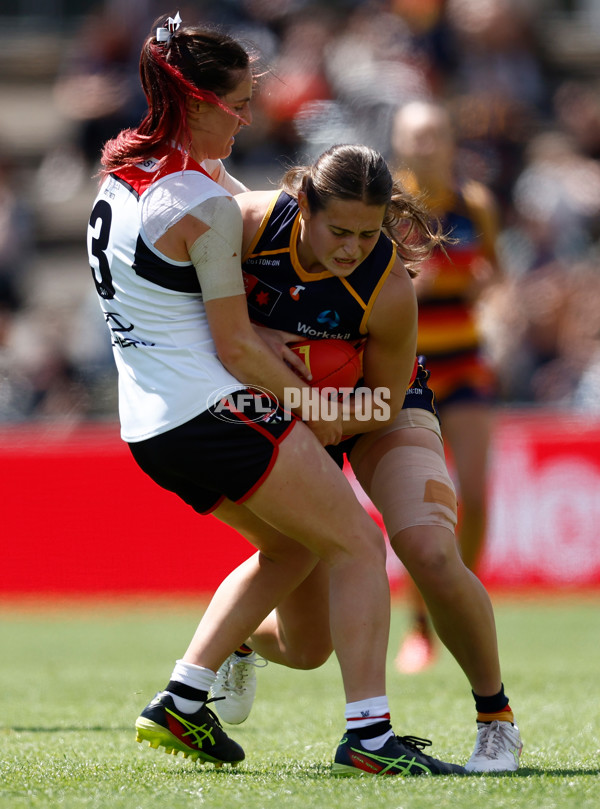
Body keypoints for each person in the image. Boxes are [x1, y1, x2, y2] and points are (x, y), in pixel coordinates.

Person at [86, 14, 464, 777]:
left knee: (295, 551)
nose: (248, 116)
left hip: (149, 425)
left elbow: (197, 275)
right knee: (358, 540)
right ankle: (370, 737)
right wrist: (316, 402)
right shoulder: (206, 206)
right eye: (237, 104)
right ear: (196, 103)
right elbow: (231, 343)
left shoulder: (125, 174)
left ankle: (183, 698)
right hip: (214, 410)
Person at [207, 143, 522, 772]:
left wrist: (329, 411)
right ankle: (244, 639)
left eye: (369, 232)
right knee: (306, 648)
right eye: (340, 230)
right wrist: (287, 383)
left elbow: (383, 400)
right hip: (291, 411)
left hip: (379, 407)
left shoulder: (389, 284)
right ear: (304, 207)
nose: (353, 247)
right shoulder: (244, 227)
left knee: (431, 550)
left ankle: (496, 719)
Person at [389, 99, 504, 675]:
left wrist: (480, 287)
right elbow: (377, 293)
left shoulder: (474, 205)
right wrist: (417, 287)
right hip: (413, 376)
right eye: (417, 136)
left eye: (436, 133)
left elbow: (495, 277)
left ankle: (460, 609)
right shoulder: (389, 211)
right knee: (428, 512)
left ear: (451, 139)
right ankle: (419, 626)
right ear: (400, 144)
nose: (427, 144)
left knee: (477, 500)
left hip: (466, 367)